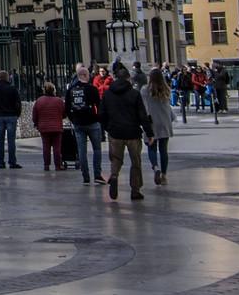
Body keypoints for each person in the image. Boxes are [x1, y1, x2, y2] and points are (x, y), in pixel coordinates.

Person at [99, 65, 147, 202]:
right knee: (135, 161)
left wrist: (107, 127)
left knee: (116, 159)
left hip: (115, 132)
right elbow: (142, 115)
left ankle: (114, 176)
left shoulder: (108, 94)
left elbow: (101, 114)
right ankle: (135, 190)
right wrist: (149, 132)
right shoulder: (134, 94)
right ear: (128, 79)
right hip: (133, 132)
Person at [64, 64, 104, 184]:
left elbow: (67, 107)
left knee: (82, 151)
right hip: (92, 122)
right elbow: (99, 105)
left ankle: (85, 176)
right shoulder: (92, 89)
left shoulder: (71, 90)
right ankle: (97, 174)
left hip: (78, 123)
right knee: (97, 149)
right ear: (86, 75)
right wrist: (98, 118)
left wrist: (73, 119)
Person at [143, 68, 176, 185]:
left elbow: (143, 106)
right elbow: (168, 105)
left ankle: (155, 167)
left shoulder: (145, 90)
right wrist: (172, 117)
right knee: (163, 150)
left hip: (152, 121)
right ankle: (164, 175)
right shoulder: (166, 89)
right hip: (165, 121)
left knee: (151, 146)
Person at [30, 81, 67, 171]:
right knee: (57, 147)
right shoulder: (59, 101)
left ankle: (46, 165)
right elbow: (64, 114)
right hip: (57, 127)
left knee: (46, 147)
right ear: (53, 90)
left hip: (44, 128)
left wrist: (36, 123)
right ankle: (58, 165)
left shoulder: (39, 101)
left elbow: (35, 115)